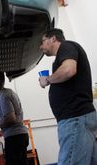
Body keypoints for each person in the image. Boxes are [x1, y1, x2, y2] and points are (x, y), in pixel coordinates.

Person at [38, 28, 97, 165]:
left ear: (53, 39)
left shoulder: (67, 46)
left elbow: (69, 70)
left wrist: (47, 79)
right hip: (80, 118)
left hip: (74, 118)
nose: (40, 47)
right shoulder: (63, 54)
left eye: (42, 41)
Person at [0, 73, 29, 165]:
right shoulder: (9, 92)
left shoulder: (4, 96)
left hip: (14, 137)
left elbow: (11, 118)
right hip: (19, 135)